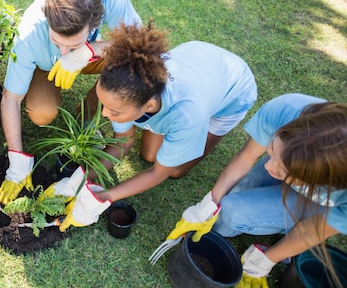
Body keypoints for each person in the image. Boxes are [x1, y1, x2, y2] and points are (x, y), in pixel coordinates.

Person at [58, 21, 257, 231]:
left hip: (233, 90)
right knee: (150, 154)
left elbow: (158, 173)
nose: (105, 115)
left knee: (175, 170)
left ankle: (201, 131)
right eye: (105, 106)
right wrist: (80, 178)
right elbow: (122, 142)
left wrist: (103, 197)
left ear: (149, 105)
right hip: (199, 58)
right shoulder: (125, 90)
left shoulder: (188, 114)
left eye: (114, 112)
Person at [164, 93, 347, 288]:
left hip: (323, 205)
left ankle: (287, 227)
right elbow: (246, 157)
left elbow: (313, 230)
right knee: (222, 222)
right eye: (272, 151)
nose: (269, 167)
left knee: (235, 212)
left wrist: (265, 260)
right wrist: (209, 204)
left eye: (283, 169)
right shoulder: (285, 109)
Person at [0, 0, 142, 204]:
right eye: (57, 42)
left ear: (95, 22)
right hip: (49, 67)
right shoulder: (29, 34)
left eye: (72, 43)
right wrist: (17, 161)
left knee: (129, 59)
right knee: (42, 112)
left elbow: (137, 42)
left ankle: (87, 115)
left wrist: (87, 51)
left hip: (92, 55)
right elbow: (10, 99)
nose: (64, 50)